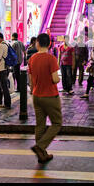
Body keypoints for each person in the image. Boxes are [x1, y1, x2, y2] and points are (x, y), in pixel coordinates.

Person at [28, 33, 61, 164]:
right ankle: (40, 147)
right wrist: (57, 79)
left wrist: (33, 90)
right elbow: (55, 79)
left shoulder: (32, 59)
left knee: (40, 125)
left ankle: (42, 154)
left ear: (37, 43)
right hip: (50, 96)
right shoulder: (51, 59)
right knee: (57, 123)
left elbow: (30, 80)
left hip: (36, 95)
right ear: (49, 44)